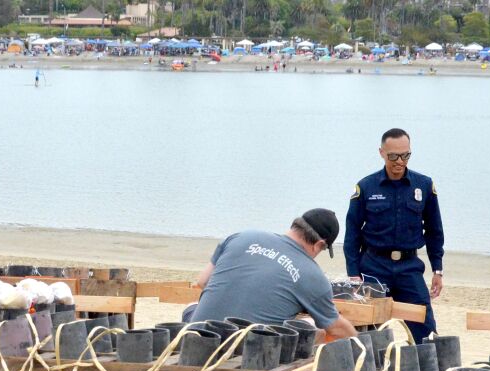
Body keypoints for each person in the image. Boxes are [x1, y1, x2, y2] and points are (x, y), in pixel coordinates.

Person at [188, 209, 357, 341]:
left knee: (192, 307)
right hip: (251, 350)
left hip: (195, 339)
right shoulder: (313, 275)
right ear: (319, 245)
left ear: (295, 225)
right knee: (310, 326)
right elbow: (339, 331)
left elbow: (203, 282)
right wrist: (358, 341)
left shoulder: (241, 237)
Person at [344, 128, 444, 343]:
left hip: (409, 269)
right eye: (393, 156)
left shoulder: (424, 186)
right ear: (381, 153)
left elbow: (435, 231)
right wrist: (353, 274)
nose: (400, 161)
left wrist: (438, 268)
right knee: (368, 333)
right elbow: (351, 233)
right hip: (373, 268)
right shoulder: (366, 187)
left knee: (426, 331)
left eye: (405, 155)